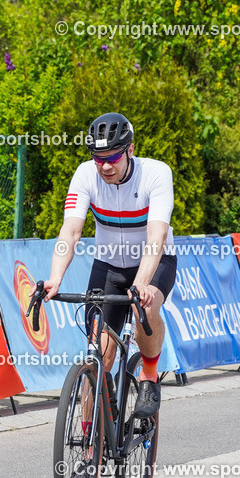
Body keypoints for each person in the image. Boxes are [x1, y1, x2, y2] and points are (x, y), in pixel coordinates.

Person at [44, 112, 177, 423]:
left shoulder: (156, 174)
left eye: (113, 157)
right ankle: (89, 444)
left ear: (130, 149)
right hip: (109, 266)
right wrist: (55, 277)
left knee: (146, 307)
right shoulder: (85, 175)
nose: (105, 166)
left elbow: (156, 237)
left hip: (154, 262)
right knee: (98, 356)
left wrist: (142, 284)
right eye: (98, 158)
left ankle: (149, 373)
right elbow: (71, 231)